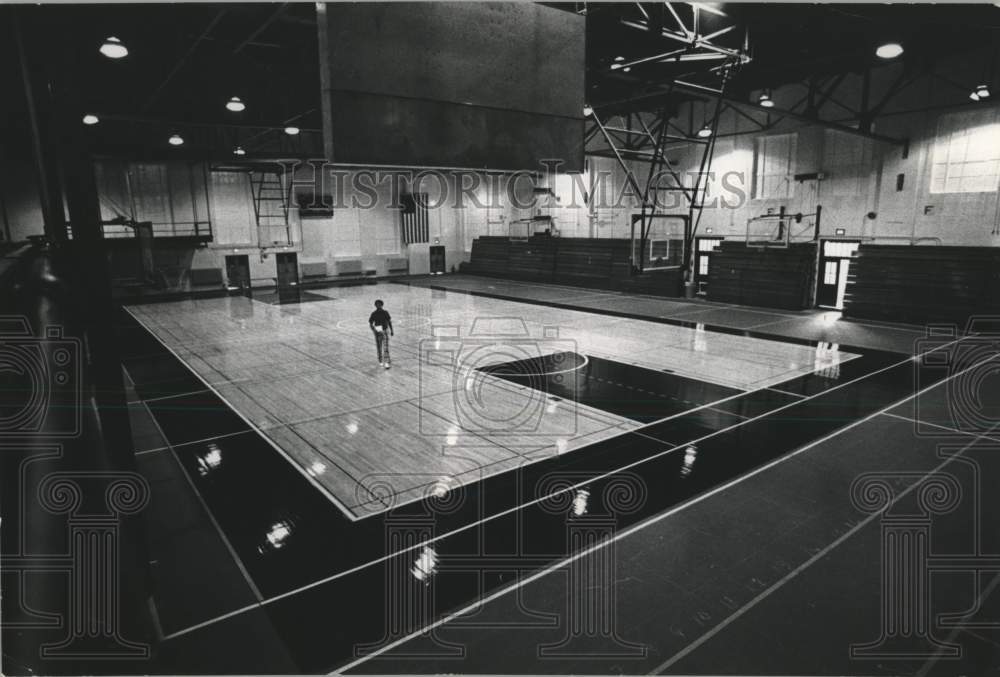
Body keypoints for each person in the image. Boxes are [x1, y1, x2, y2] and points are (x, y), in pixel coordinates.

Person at [368, 299, 394, 368]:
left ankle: (387, 361)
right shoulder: (374, 313)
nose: (378, 305)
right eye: (377, 304)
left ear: (382, 305)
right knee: (379, 346)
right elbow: (370, 323)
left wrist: (391, 330)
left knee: (385, 346)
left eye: (379, 304)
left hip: (385, 330)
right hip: (378, 330)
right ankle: (380, 360)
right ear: (375, 305)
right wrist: (374, 330)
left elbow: (389, 321)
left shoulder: (385, 312)